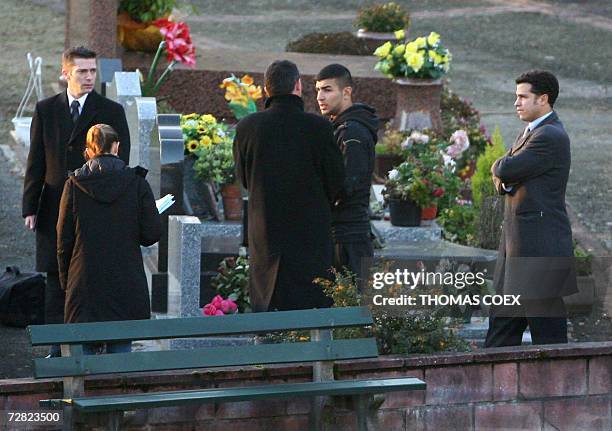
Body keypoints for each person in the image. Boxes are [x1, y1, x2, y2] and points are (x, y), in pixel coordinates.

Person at [22, 46, 130, 356]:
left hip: (93, 207)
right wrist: (30, 205)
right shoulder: (46, 110)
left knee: (90, 275)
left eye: (92, 71)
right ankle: (57, 349)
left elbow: (120, 163)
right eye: (82, 71)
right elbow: (36, 160)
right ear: (65, 72)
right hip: (55, 205)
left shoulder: (110, 111)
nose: (88, 77)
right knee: (56, 279)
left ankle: (90, 345)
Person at [233, 60, 345, 312]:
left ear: (265, 90)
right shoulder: (319, 127)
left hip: (266, 233)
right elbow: (336, 181)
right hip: (310, 235)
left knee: (269, 308)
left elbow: (244, 179)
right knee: (310, 308)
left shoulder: (247, 128)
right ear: (298, 85)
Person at [484, 70, 577, 347]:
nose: (517, 102)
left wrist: (500, 169)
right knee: (500, 334)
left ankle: (560, 391)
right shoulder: (532, 131)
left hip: (539, 252)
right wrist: (504, 178)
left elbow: (505, 167)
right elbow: (507, 176)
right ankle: (495, 389)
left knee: (549, 341)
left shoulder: (549, 136)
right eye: (516, 97)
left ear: (544, 99)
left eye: (523, 97)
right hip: (518, 253)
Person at [56, 124, 160, 354]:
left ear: (89, 150)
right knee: (120, 356)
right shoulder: (136, 183)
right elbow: (151, 234)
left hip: (84, 281)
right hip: (125, 280)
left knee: (83, 358)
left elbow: (64, 241)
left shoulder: (73, 184)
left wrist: (67, 282)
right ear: (116, 147)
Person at [315, 64, 378, 282]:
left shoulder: (353, 132)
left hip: (349, 237)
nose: (320, 97)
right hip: (340, 234)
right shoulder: (340, 127)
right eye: (318, 90)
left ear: (346, 92)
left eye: (327, 89)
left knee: (351, 310)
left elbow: (347, 185)